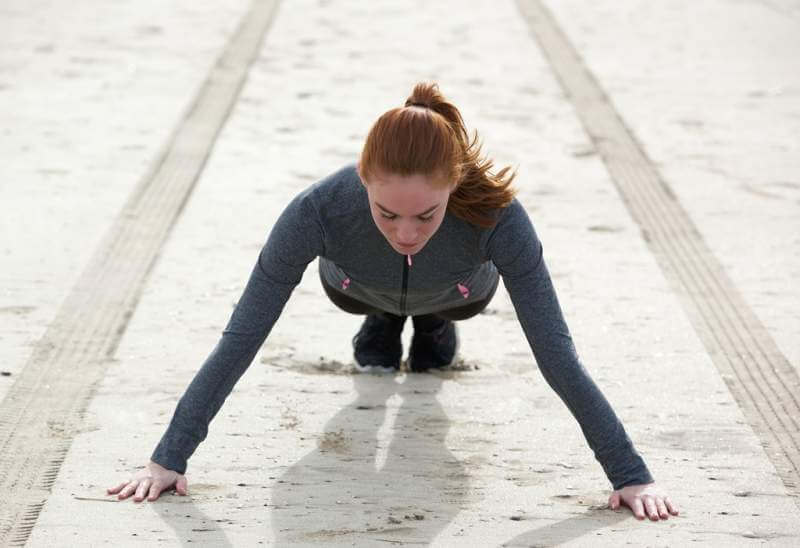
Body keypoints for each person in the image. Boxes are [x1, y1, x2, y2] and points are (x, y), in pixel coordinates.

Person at [108, 82, 679, 521]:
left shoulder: (498, 217)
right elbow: (242, 337)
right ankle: (385, 317)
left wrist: (629, 473)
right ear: (363, 180)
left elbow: (557, 355)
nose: (406, 231)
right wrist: (169, 458)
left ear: (453, 184)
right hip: (354, 287)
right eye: (387, 213)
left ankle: (427, 325)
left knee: (435, 338)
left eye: (426, 215)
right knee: (377, 318)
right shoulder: (318, 210)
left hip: (457, 293)